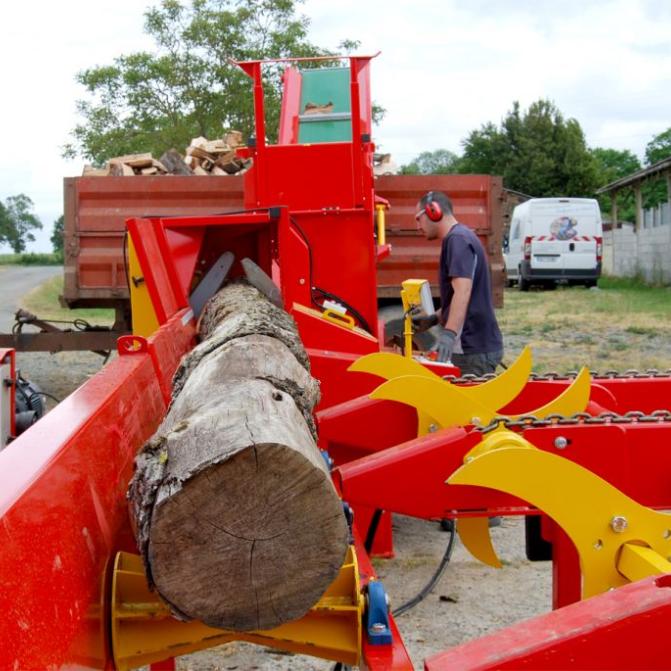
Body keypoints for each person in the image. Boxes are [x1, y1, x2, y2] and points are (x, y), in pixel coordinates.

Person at [412, 190, 503, 376]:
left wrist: (449, 334)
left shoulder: (457, 240)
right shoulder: (459, 238)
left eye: (418, 218)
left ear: (433, 211)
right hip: (475, 346)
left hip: (472, 349)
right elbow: (457, 296)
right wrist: (435, 318)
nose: (417, 226)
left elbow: (463, 291)